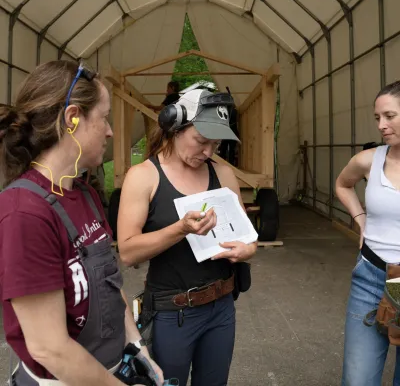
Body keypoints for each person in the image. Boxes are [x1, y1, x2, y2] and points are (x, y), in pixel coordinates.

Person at [0, 60, 163, 385]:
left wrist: (139, 349)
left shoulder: (86, 194)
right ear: (73, 118)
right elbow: (50, 349)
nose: (110, 131)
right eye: (102, 117)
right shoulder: (24, 211)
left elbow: (109, 286)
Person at [117, 89, 257, 385]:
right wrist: (180, 229)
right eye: (201, 141)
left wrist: (247, 250)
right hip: (173, 312)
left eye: (216, 144)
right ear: (175, 127)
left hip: (221, 309)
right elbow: (128, 252)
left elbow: (248, 237)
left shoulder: (224, 174)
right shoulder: (143, 176)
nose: (208, 152)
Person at [336, 80, 400, 385]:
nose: (381, 126)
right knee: (358, 379)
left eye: (389, 116)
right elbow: (342, 184)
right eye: (378, 118)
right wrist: (360, 218)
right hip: (371, 279)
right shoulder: (368, 160)